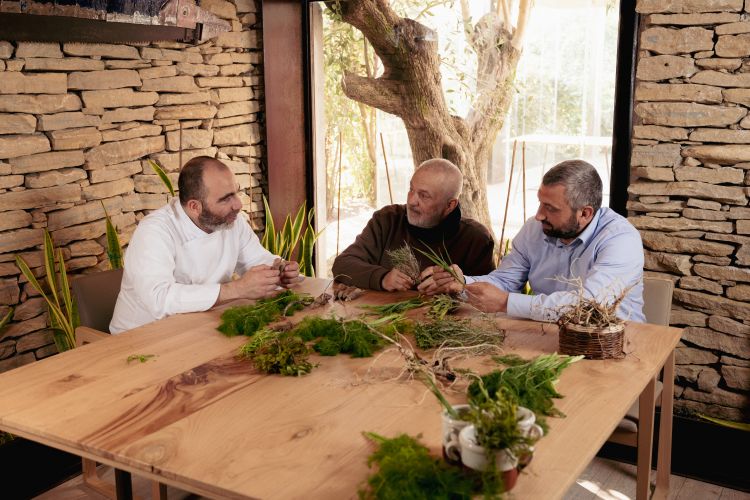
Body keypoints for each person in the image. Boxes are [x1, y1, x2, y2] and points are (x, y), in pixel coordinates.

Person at [418, 159, 645, 322]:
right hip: (552, 335)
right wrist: (461, 284)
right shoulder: (535, 229)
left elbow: (589, 306)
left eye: (550, 208)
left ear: (585, 213)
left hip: (619, 341)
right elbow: (505, 282)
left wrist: (506, 303)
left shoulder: (620, 240)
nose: (539, 215)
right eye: (540, 203)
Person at [110, 156, 301, 333]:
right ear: (195, 206)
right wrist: (235, 289)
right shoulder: (155, 231)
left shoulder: (231, 221)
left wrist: (279, 270)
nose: (238, 204)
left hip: (200, 326)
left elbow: (256, 259)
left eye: (236, 192)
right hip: (142, 336)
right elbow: (160, 300)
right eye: (226, 198)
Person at [331, 158, 495, 291]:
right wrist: (382, 278)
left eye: (424, 196)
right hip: (386, 323)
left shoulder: (475, 238)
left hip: (442, 326)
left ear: (450, 205)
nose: (411, 201)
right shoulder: (387, 220)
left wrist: (462, 284)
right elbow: (343, 264)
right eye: (411, 189)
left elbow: (489, 293)